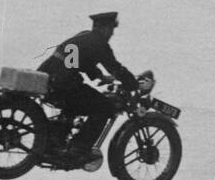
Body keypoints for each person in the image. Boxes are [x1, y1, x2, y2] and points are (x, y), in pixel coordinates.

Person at [37, 11, 139, 162]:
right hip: (63, 83)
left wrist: (100, 77)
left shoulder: (84, 37)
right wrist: (132, 84)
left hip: (49, 79)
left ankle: (57, 142)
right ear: (104, 29)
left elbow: (81, 61)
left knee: (79, 101)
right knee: (105, 107)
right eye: (111, 30)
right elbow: (114, 67)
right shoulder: (100, 43)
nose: (112, 34)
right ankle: (79, 149)